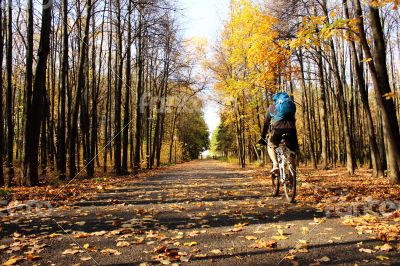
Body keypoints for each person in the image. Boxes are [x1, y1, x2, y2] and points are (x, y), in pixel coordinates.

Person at [258, 92, 298, 174]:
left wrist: (263, 138)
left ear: (275, 100)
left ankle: (275, 164)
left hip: (278, 129)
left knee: (270, 145)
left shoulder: (272, 108)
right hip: (292, 130)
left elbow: (266, 124)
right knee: (292, 150)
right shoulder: (292, 106)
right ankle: (291, 170)